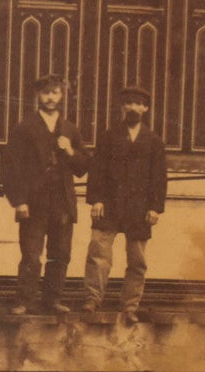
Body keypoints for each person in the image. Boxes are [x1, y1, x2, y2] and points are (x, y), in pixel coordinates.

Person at [3, 73, 90, 314]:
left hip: (62, 202)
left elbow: (83, 168)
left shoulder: (70, 129)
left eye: (54, 92)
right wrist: (19, 201)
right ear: (38, 95)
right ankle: (25, 301)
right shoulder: (25, 128)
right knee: (31, 255)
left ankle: (52, 300)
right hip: (34, 202)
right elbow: (11, 168)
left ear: (62, 96)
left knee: (60, 254)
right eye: (45, 92)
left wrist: (70, 150)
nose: (50, 97)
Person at [83, 85, 167, 323]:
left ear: (146, 109)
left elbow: (159, 178)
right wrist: (96, 199)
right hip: (109, 205)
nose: (134, 107)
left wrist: (154, 207)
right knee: (98, 253)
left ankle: (130, 306)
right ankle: (92, 299)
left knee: (137, 260)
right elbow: (96, 170)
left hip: (139, 209)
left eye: (139, 104)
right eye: (129, 103)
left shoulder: (154, 141)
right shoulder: (109, 136)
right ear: (122, 107)